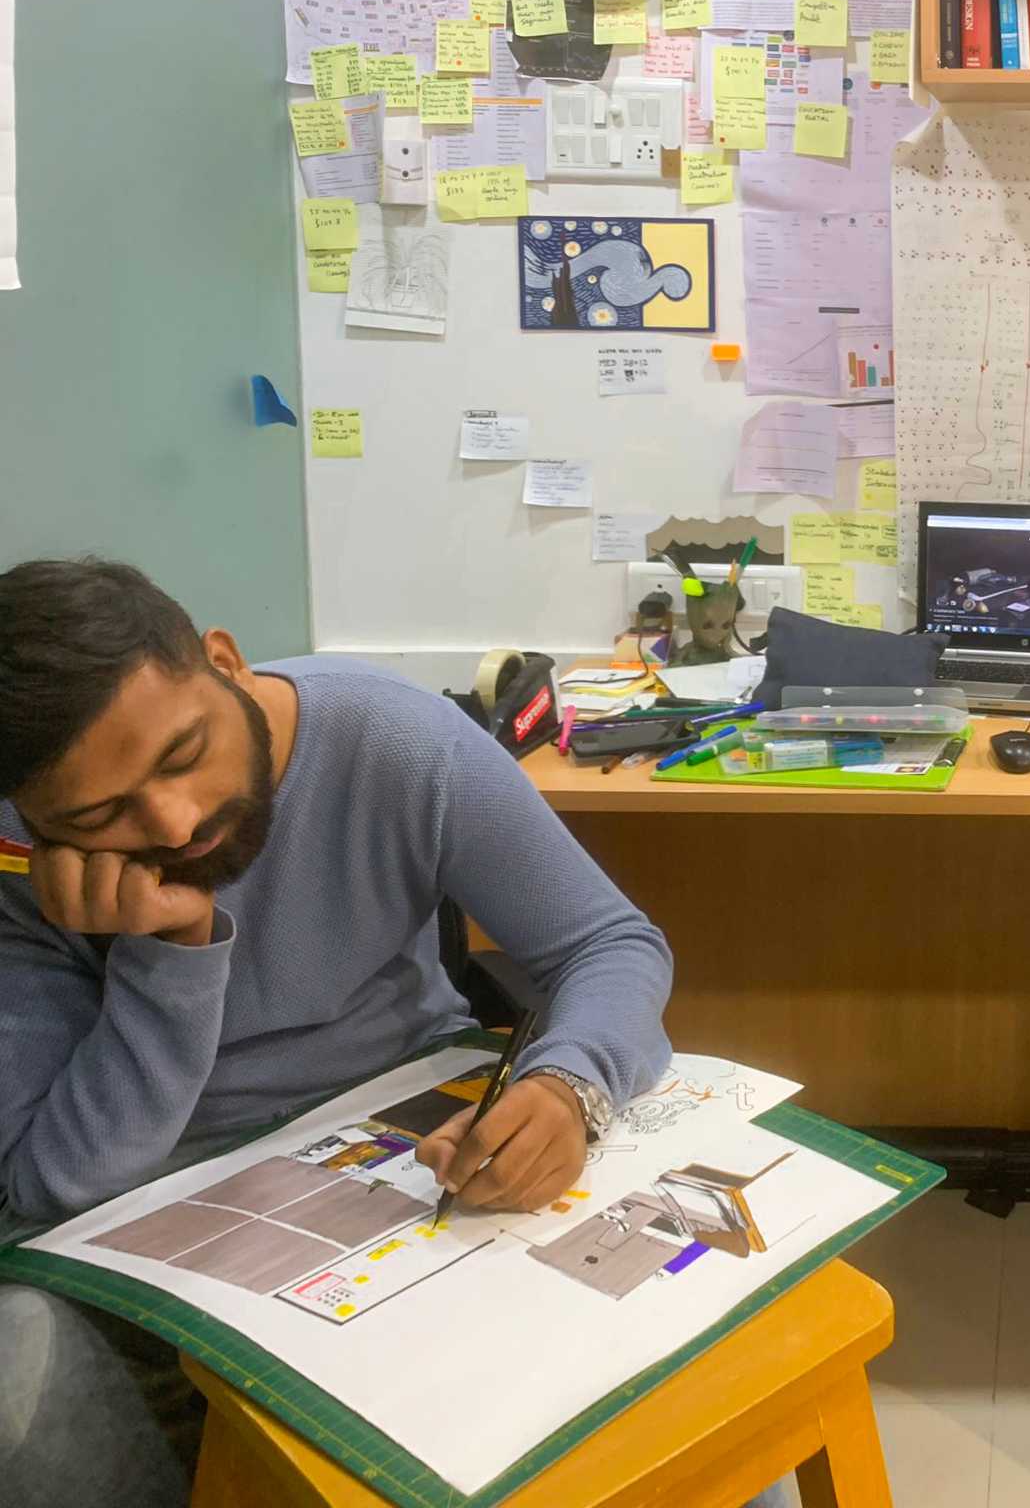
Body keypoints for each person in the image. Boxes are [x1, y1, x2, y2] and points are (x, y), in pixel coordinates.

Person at [0, 559, 688, 1507]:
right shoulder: (18, 865)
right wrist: (171, 952)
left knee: (689, 1358)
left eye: (182, 754)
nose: (176, 821)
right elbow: (54, 1181)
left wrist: (569, 1085)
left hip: (411, 1145)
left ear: (227, 663)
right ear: (36, 823)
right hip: (167, 1209)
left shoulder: (390, 737)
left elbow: (610, 944)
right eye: (101, 815)